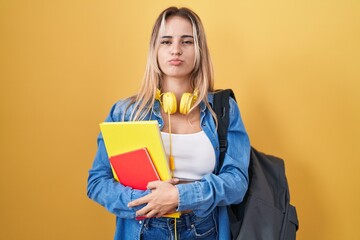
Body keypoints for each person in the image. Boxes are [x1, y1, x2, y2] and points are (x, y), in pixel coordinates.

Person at [87, 6, 250, 240]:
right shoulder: (125, 112)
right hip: (143, 229)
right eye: (166, 41)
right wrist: (149, 203)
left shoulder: (223, 110)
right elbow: (97, 182)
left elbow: (237, 182)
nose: (176, 50)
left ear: (199, 50)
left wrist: (181, 197)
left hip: (205, 230)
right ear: (154, 50)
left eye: (187, 41)